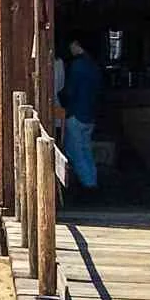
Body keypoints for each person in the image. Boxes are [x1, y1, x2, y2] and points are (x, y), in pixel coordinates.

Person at [55, 37, 103, 190]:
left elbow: (70, 90)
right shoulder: (94, 66)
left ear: (77, 45)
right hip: (89, 114)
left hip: (76, 113)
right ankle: (91, 180)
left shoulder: (77, 66)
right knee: (85, 149)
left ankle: (87, 185)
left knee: (74, 150)